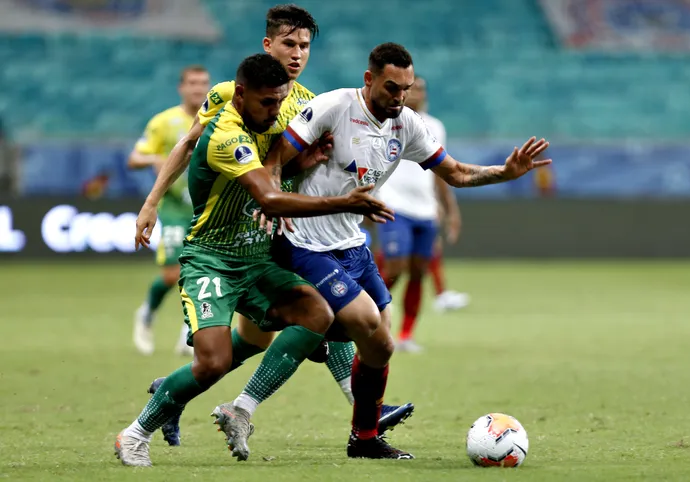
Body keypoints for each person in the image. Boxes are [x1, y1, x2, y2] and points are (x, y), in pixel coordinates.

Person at [221, 42, 552, 460]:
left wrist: (506, 173)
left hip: (351, 243)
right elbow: (275, 156)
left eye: (406, 89)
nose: (399, 97)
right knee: (360, 319)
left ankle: (363, 440)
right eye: (392, 88)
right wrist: (270, 201)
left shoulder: (408, 124)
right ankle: (272, 379)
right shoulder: (334, 107)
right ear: (369, 79)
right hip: (305, 241)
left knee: (381, 344)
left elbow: (455, 173)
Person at [138, 4, 414, 448]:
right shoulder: (232, 93)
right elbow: (191, 142)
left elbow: (301, 168)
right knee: (310, 318)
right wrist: (152, 201)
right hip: (234, 231)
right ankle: (360, 410)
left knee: (258, 339)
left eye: (305, 45)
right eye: (289, 43)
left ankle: (172, 393)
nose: (298, 53)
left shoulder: (309, 103)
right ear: (268, 44)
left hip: (277, 231)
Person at [375, 75, 463, 352]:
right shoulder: (386, 121)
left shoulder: (436, 126)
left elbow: (441, 170)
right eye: (413, 90)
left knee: (418, 273)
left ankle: (405, 336)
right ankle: (368, 320)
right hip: (394, 205)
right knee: (395, 266)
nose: (418, 94)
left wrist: (450, 208)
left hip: (425, 210)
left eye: (422, 90)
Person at [127, 65, 210, 357]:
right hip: (175, 208)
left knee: (202, 270)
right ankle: (147, 312)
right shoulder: (164, 122)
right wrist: (156, 159)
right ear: (181, 88)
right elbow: (134, 157)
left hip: (208, 208)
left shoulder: (218, 118)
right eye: (192, 83)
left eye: (203, 83)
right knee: (173, 273)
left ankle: (190, 330)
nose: (198, 89)